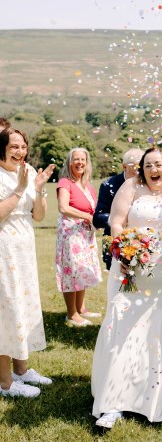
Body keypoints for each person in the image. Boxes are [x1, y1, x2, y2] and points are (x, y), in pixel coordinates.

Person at [91, 147, 162, 429]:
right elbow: (116, 221)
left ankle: (155, 394)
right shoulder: (130, 187)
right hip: (130, 268)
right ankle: (113, 403)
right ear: (142, 169)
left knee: (154, 329)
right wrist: (123, 253)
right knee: (122, 327)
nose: (153, 170)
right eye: (148, 165)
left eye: (158, 164)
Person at [0, 127, 55, 397]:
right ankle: (5, 383)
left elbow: (39, 216)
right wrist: (20, 189)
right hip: (3, 248)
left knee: (22, 304)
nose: (20, 151)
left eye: (23, 146)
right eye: (14, 146)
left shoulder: (29, 170)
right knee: (7, 307)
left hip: (24, 248)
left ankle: (21, 370)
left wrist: (39, 190)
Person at [55, 147, 102, 328]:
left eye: (83, 159)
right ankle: (71, 314)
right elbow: (63, 207)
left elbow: (94, 210)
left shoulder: (87, 185)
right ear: (69, 162)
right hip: (71, 235)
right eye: (76, 159)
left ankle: (81, 309)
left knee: (83, 269)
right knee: (72, 271)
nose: (80, 162)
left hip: (85, 235)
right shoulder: (65, 182)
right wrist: (87, 217)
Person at [93, 149, 144, 270]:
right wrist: (118, 220)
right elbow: (98, 218)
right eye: (134, 166)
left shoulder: (148, 184)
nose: (139, 169)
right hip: (116, 243)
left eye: (141, 165)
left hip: (143, 244)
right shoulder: (109, 184)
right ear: (124, 166)